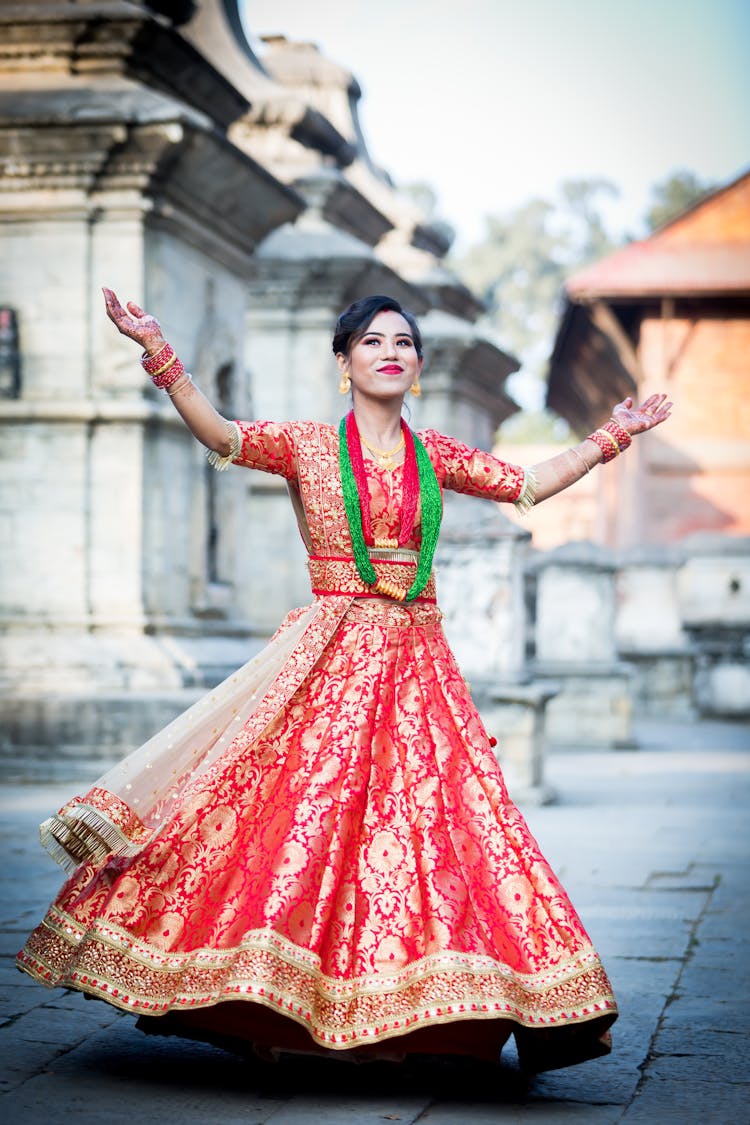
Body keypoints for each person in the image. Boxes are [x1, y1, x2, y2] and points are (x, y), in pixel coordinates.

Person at [17, 290, 671, 1073]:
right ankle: (270, 1003)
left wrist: (612, 437)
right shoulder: (307, 446)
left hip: (418, 671)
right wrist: (161, 354)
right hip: (329, 662)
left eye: (404, 342)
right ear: (344, 363)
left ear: (418, 366)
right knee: (297, 823)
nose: (390, 351)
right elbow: (223, 436)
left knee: (427, 831)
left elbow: (525, 486)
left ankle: (414, 1017)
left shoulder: (438, 455)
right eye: (372, 341)